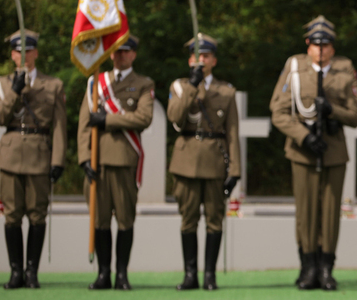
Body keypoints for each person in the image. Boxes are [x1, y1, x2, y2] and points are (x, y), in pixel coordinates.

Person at [269, 16, 357, 291]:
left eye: (326, 44)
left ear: (333, 47)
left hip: (333, 149)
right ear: (307, 45)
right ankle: (307, 267)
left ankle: (326, 268)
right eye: (315, 44)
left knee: (330, 211)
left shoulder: (345, 68)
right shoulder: (294, 67)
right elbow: (278, 111)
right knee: (306, 211)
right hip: (303, 150)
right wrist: (304, 136)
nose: (321, 49)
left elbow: (356, 113)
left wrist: (333, 111)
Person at [0, 30, 67, 289]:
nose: (23, 55)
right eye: (18, 51)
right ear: (12, 55)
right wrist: (14, 91)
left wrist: (58, 160)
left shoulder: (53, 85)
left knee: (37, 214)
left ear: (36, 53)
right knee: (12, 215)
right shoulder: (1, 84)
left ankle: (32, 271)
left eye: (28, 50)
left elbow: (59, 125)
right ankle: (16, 272)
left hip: (39, 153)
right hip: (11, 153)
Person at [77, 35, 154, 290]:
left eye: (126, 51)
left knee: (125, 218)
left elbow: (143, 118)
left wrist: (108, 120)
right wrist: (84, 158)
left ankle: (121, 274)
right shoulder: (96, 82)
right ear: (110, 54)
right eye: (117, 51)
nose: (121, 56)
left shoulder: (143, 84)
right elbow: (84, 124)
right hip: (97, 160)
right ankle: (103, 273)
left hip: (124, 159)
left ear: (134, 54)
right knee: (99, 220)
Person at [167, 33, 240, 291]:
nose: (201, 60)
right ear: (190, 60)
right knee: (188, 219)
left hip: (214, 161)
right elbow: (175, 117)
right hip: (186, 160)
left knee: (214, 219)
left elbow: (232, 132)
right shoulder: (179, 87)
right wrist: (192, 86)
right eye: (197, 56)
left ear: (214, 61)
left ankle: (210, 275)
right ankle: (190, 275)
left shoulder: (226, 91)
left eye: (206, 56)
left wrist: (235, 169)